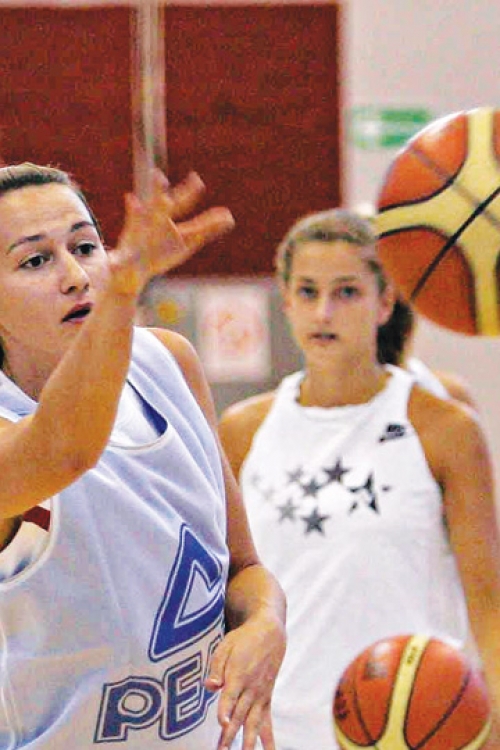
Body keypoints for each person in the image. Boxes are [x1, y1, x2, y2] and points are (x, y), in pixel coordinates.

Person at [0, 162, 286, 750]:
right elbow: (65, 450)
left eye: (86, 247)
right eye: (35, 260)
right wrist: (124, 290)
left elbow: (243, 570)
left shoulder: (168, 363)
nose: (76, 276)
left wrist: (265, 624)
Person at [219, 208, 500, 750]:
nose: (323, 312)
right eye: (307, 292)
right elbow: (227, 591)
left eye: (347, 292)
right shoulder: (242, 430)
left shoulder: (445, 428)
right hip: (278, 733)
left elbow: (488, 604)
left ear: (385, 302)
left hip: (415, 727)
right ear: (286, 301)